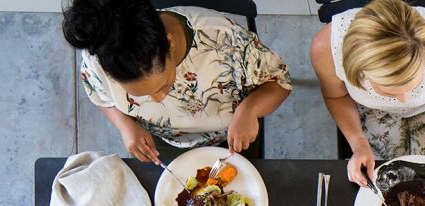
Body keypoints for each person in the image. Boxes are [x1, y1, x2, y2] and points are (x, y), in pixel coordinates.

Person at [63, 0, 292, 161]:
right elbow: (100, 96)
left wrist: (250, 110)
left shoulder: (226, 42)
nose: (159, 99)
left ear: (169, 44)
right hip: (162, 143)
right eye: (139, 95)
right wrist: (126, 126)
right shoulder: (100, 58)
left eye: (163, 85)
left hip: (233, 135)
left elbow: (279, 81)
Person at [310, 0, 425, 188]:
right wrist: (358, 143)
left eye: (411, 86)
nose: (404, 99)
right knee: (379, 181)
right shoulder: (325, 49)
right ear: (358, 70)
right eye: (389, 90)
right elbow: (337, 96)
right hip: (370, 111)